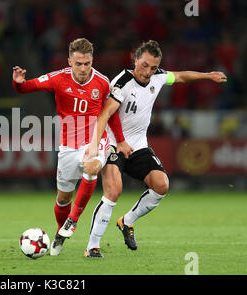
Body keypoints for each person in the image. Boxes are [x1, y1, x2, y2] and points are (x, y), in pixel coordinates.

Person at [84, 40, 227, 257]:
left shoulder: (158, 77)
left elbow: (180, 76)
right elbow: (104, 114)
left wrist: (207, 75)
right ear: (135, 60)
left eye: (152, 67)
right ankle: (92, 246)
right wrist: (96, 146)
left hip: (139, 146)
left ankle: (127, 221)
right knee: (114, 191)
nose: (148, 72)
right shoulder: (122, 82)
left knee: (161, 185)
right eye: (144, 65)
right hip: (114, 143)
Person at [12, 38, 132, 257]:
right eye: (79, 64)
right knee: (63, 198)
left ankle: (72, 221)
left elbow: (109, 113)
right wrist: (19, 82)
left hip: (96, 139)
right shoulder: (58, 78)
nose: (84, 68)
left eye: (87, 63)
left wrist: (121, 140)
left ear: (92, 60)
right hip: (68, 145)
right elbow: (27, 87)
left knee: (92, 167)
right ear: (70, 61)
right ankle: (60, 232)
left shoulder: (102, 82)